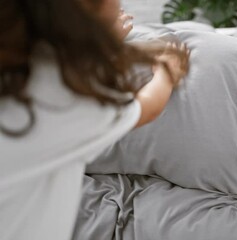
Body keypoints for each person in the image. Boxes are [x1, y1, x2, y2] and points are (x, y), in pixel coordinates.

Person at [0, 0, 189, 239]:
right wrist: (167, 71)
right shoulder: (65, 95)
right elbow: (147, 108)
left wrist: (100, 43)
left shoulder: (21, 61)